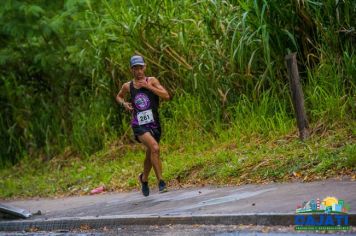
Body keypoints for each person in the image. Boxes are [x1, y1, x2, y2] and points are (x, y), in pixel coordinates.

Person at [116, 55, 170, 197]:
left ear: (145, 67)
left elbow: (166, 95)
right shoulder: (128, 86)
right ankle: (161, 182)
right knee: (155, 148)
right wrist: (124, 104)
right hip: (139, 124)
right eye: (135, 69)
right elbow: (119, 96)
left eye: (140, 68)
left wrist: (149, 87)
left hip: (154, 123)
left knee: (150, 153)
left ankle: (144, 179)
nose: (139, 71)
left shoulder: (151, 81)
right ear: (131, 70)